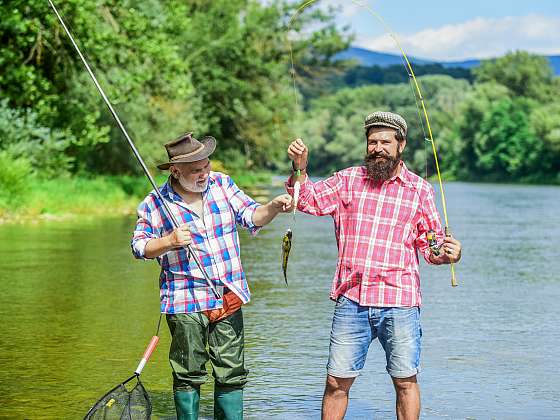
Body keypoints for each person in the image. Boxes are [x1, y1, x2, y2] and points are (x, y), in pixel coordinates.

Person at [286, 111, 462, 420]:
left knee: (405, 381)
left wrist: (449, 254)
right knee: (336, 382)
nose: (377, 148)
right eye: (372, 142)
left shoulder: (420, 190)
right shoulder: (347, 180)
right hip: (352, 299)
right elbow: (307, 200)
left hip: (400, 301)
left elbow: (430, 246)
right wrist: (299, 168)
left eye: (385, 142)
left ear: (401, 145)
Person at [132, 132, 293, 420]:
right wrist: (168, 241)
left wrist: (273, 208)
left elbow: (251, 215)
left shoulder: (222, 184)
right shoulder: (155, 202)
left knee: (231, 372)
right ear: (176, 171)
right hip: (184, 300)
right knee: (188, 373)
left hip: (227, 293)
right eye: (196, 170)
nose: (205, 173)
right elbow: (140, 246)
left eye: (206, 165)